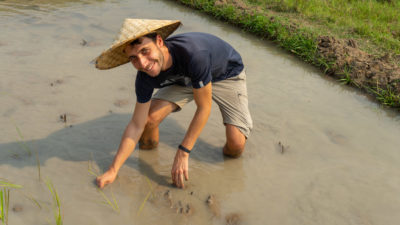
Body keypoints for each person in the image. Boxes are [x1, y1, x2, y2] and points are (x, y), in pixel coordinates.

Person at [94, 19, 252, 189]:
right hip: (184, 80)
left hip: (225, 75)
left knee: (235, 147)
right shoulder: (144, 77)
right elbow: (136, 124)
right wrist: (113, 169)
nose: (143, 63)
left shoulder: (194, 54)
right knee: (148, 120)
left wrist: (183, 152)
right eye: (134, 58)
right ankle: (148, 154)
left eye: (145, 51)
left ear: (160, 42)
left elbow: (204, 108)